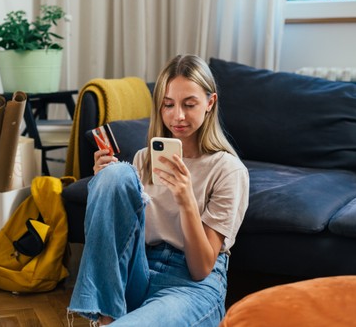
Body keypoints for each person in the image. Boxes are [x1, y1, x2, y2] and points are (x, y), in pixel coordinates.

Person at [67, 54, 249, 326]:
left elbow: (201, 269)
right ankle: (105, 317)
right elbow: (119, 238)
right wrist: (103, 183)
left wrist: (186, 199)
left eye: (190, 104)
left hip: (189, 285)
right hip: (139, 270)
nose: (178, 116)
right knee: (114, 175)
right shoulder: (144, 159)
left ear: (210, 103)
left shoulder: (227, 170)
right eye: (168, 105)